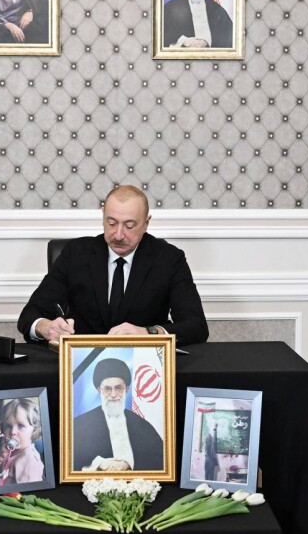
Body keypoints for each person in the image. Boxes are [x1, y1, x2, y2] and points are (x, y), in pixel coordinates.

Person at [17, 185, 209, 345]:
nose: (118, 235)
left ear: (146, 223)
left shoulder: (169, 259)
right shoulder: (75, 254)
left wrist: (148, 333)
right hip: (80, 363)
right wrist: (46, 327)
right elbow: (30, 315)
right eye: (111, 223)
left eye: (129, 226)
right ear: (103, 216)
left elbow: (196, 326)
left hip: (144, 366)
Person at [72, 358, 163, 471]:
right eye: (107, 389)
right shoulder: (79, 425)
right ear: (99, 390)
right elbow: (70, 461)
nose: (113, 394)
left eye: (118, 388)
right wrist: (99, 463)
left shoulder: (142, 426)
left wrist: (128, 464)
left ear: (126, 390)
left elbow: (159, 460)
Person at [0, 398, 45, 485]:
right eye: (8, 426)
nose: (12, 432)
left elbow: (29, 491)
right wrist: (0, 457)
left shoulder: (30, 460)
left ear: (34, 430)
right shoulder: (8, 452)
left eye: (21, 426)